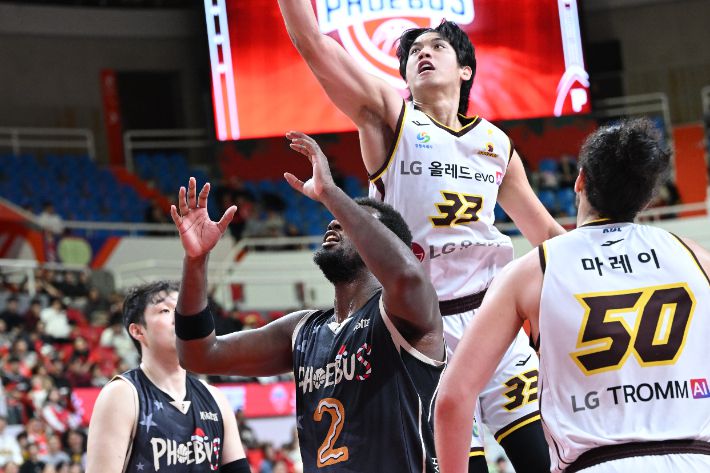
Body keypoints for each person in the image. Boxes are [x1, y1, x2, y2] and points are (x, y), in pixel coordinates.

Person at [276, 3, 561, 469]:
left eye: (438, 46)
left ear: (465, 70)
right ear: (405, 77)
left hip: (493, 319)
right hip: (423, 331)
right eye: (414, 52)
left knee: (544, 459)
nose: (424, 53)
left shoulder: (496, 144)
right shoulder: (392, 118)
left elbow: (545, 232)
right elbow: (312, 43)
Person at [434, 119, 710, 473]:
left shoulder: (533, 270)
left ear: (580, 181)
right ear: (646, 197)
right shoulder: (696, 259)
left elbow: (453, 399)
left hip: (597, 464)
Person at [171, 132, 445, 472]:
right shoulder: (302, 330)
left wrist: (331, 193)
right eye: (337, 216)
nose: (335, 220)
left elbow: (406, 276)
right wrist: (196, 262)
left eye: (355, 218)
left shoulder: (404, 312)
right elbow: (198, 354)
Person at [85, 281, 250, 473]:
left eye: (181, 310)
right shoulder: (122, 395)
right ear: (138, 330)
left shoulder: (216, 399)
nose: (179, 317)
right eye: (165, 310)